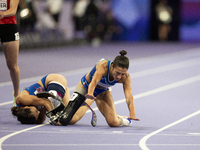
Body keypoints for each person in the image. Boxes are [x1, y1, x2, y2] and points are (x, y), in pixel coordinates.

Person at [57, 50, 140, 127]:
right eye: (117, 73)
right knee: (68, 120)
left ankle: (123, 120)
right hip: (86, 86)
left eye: (122, 74)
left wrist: (132, 114)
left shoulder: (125, 77)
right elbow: (94, 82)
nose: (119, 76)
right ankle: (89, 100)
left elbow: (129, 96)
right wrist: (90, 93)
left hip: (103, 91)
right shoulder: (103, 66)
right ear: (112, 67)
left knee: (113, 123)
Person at [0, 0, 20, 104]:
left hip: (8, 28)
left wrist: (3, 14)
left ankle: (16, 94)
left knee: (12, 66)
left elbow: (13, 10)